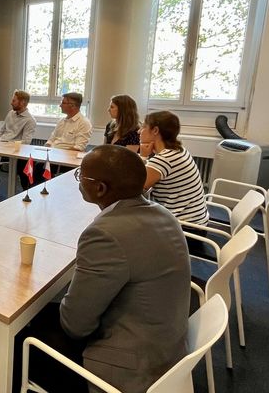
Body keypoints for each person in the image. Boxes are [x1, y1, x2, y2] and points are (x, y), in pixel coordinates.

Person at [11, 145, 191, 393]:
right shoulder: (163, 214)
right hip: (164, 347)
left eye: (81, 176)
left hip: (127, 370)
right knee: (40, 315)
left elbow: (75, 326)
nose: (78, 180)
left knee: (14, 337)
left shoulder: (105, 234)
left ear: (100, 189)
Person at [140, 110, 209, 249]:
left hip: (185, 231)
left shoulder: (164, 159)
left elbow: (136, 188)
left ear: (155, 131)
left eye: (143, 127)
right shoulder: (179, 150)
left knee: (131, 230)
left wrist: (143, 157)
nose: (139, 131)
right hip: (197, 223)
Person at [25, 92, 93, 189]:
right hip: (52, 156)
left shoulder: (84, 123)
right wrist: (44, 152)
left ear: (73, 106)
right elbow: (51, 140)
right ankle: (31, 191)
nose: (60, 105)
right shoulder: (62, 121)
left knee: (38, 168)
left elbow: (78, 148)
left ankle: (37, 192)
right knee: (29, 164)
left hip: (66, 161)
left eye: (63, 103)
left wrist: (56, 153)